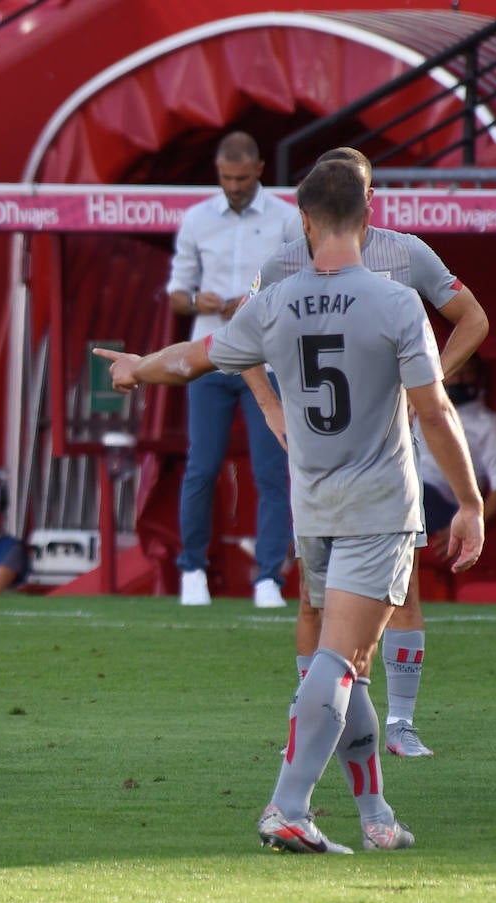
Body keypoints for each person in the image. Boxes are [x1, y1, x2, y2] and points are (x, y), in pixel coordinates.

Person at [97, 159, 484, 854]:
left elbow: (197, 354)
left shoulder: (275, 300)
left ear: (303, 219)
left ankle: (374, 813)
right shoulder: (396, 302)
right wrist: (471, 501)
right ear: (367, 217)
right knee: (341, 661)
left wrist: (138, 365)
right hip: (377, 507)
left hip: (314, 507)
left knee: (344, 664)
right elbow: (434, 409)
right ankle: (288, 805)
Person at [247, 146, 491, 758]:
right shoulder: (282, 266)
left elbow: (473, 318)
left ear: (368, 200)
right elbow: (237, 339)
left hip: (386, 451)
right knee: (313, 593)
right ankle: (314, 719)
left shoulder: (405, 254)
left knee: (399, 589)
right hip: (317, 456)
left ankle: (401, 723)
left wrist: (423, 383)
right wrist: (274, 407)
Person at [166, 131, 301, 609]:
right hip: (211, 354)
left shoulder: (287, 218)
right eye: (226, 179)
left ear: (261, 169)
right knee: (201, 466)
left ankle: (269, 577)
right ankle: (193, 570)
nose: (235, 187)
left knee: (272, 470)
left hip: (267, 357)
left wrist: (260, 300)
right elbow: (177, 290)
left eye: (242, 179)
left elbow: (300, 282)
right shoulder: (198, 218)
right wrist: (195, 299)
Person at [417, 354, 496, 555]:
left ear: (479, 379)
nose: (458, 380)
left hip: (444, 500)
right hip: (404, 487)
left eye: (466, 373)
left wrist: (472, 524)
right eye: (453, 373)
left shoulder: (492, 426)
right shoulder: (419, 414)